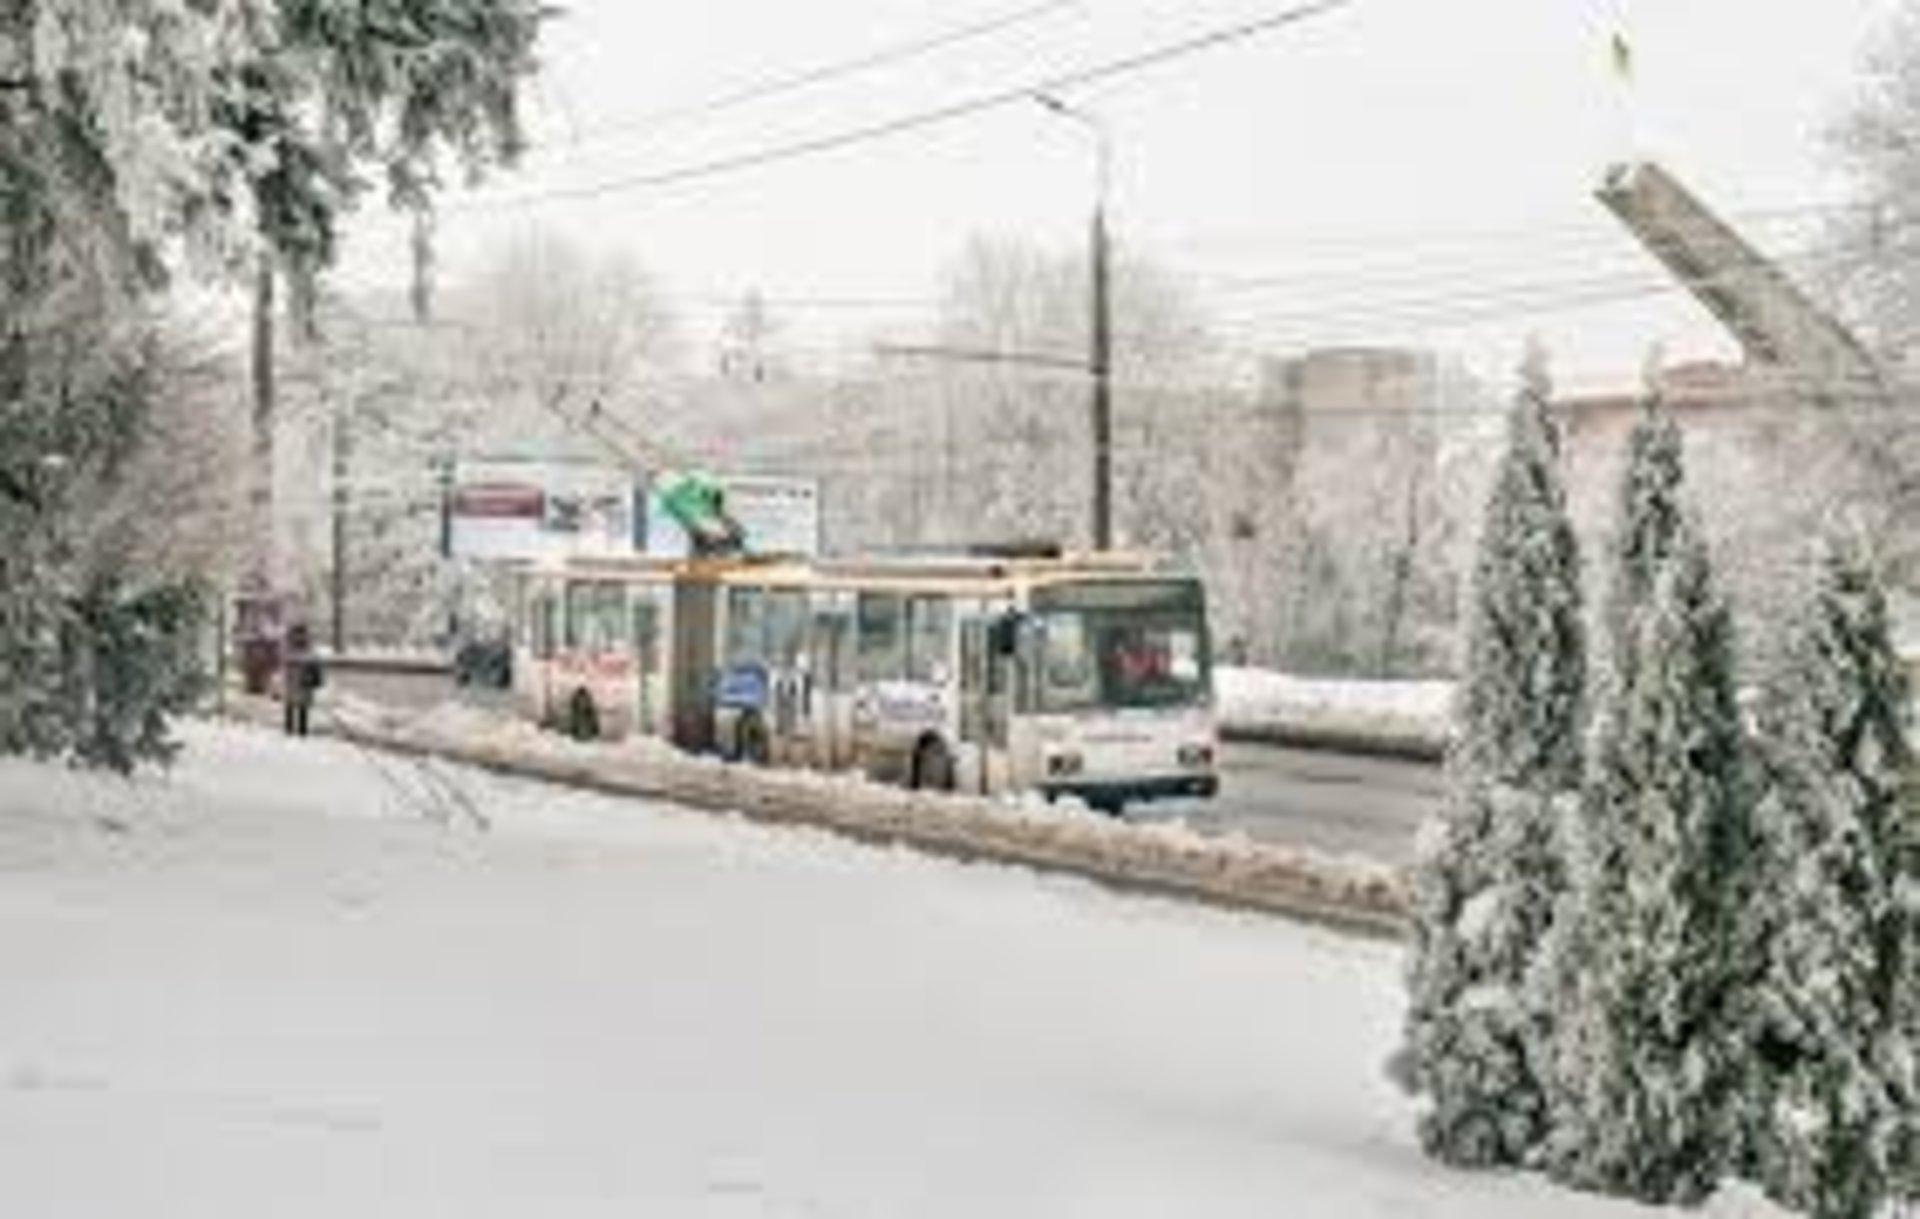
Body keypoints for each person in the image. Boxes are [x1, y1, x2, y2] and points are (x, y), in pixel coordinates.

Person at [282, 622, 322, 737]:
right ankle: (295, 728)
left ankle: (296, 729)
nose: (299, 637)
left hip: (300, 679)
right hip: (298, 679)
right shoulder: (301, 646)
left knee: (298, 706)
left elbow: (314, 661)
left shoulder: (293, 646)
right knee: (295, 705)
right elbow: (313, 660)